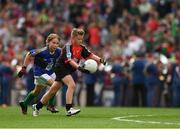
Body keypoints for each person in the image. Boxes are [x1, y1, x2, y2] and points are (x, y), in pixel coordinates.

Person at [32, 28, 107, 116]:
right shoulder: (67, 47)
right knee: (72, 85)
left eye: (81, 39)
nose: (80, 41)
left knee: (53, 90)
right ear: (73, 38)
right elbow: (70, 60)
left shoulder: (82, 48)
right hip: (61, 68)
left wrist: (100, 60)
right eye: (78, 39)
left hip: (68, 70)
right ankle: (69, 109)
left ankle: (37, 107)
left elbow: (90, 55)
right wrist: (79, 68)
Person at [18, 33, 61, 114]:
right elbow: (29, 54)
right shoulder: (42, 51)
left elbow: (66, 56)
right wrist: (24, 68)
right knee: (55, 85)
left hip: (50, 73)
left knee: (36, 92)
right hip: (40, 73)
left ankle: (24, 103)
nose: (55, 45)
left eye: (57, 43)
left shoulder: (58, 51)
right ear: (47, 42)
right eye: (53, 42)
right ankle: (50, 105)